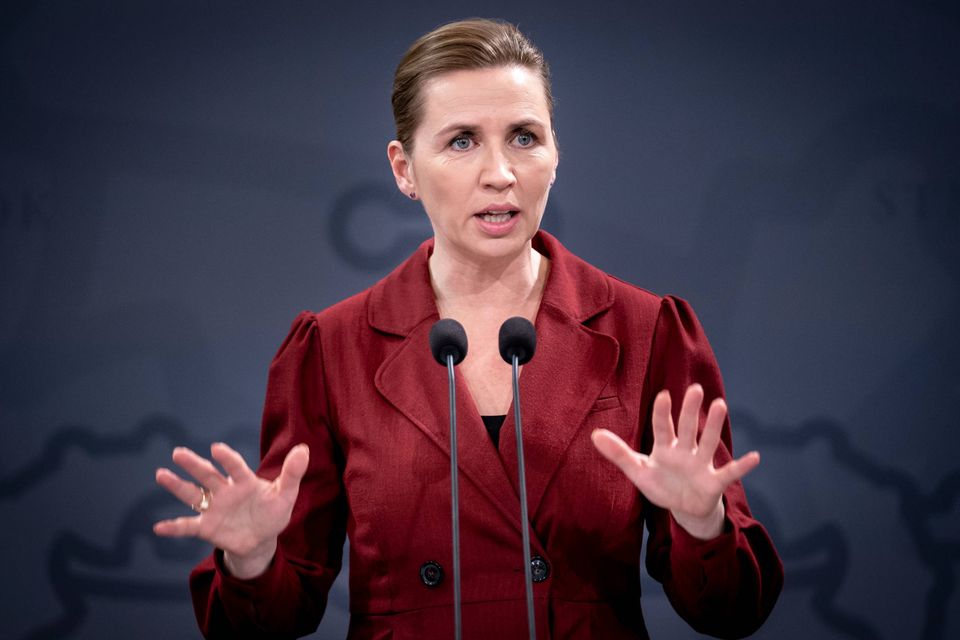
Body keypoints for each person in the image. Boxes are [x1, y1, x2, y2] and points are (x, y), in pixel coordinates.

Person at [154, 18, 783, 639]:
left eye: (524, 137)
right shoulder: (332, 348)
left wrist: (703, 524)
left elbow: (733, 611)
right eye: (462, 141)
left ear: (555, 154)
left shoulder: (646, 331)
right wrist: (252, 559)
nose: (500, 173)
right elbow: (272, 619)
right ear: (403, 169)